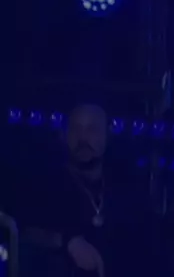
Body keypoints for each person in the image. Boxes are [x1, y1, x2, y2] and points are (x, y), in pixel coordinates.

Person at [20, 102, 152, 276]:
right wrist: (67, 242)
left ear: (107, 136)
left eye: (92, 129)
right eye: (76, 128)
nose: (83, 138)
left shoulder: (128, 190)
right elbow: (23, 232)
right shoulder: (44, 185)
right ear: (63, 135)